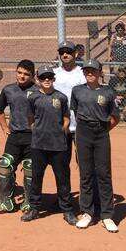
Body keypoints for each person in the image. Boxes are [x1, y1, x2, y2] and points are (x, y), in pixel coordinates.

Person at [21, 65, 77, 226]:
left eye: (49, 77)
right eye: (43, 77)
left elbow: (66, 116)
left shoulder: (61, 97)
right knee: (36, 178)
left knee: (63, 178)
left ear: (53, 79)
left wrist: (63, 129)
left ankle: (67, 209)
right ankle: (34, 208)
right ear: (37, 80)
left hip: (58, 145)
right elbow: (30, 118)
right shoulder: (33, 97)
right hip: (39, 145)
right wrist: (36, 130)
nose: (46, 80)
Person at [72, 59, 120, 233]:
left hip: (101, 134)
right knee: (85, 174)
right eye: (86, 71)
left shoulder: (108, 92)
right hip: (83, 132)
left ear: (100, 72)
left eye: (93, 70)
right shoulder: (77, 91)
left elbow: (115, 117)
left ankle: (107, 215)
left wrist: (102, 129)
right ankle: (87, 212)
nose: (89, 73)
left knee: (104, 174)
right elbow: (75, 111)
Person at [0, 59, 39, 214]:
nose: (22, 76)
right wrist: (5, 128)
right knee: (4, 164)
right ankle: (6, 202)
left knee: (30, 168)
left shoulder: (38, 91)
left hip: (32, 137)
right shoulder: (8, 89)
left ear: (32, 76)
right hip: (14, 136)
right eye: (19, 72)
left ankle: (28, 201)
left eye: (26, 74)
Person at [53, 41, 86, 163]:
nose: (65, 55)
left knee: (84, 163)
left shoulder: (83, 73)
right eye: (62, 52)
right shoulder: (53, 74)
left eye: (68, 52)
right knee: (61, 164)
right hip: (61, 126)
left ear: (76, 53)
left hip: (80, 126)